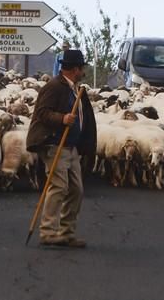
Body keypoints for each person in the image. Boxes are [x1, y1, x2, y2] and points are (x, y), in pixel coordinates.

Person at [26, 49, 97, 248]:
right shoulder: (54, 87)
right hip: (54, 143)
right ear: (75, 69)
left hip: (71, 146)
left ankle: (66, 232)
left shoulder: (76, 89)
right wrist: (62, 118)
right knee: (58, 185)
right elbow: (41, 113)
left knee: (76, 189)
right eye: (82, 68)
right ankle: (48, 231)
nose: (83, 71)